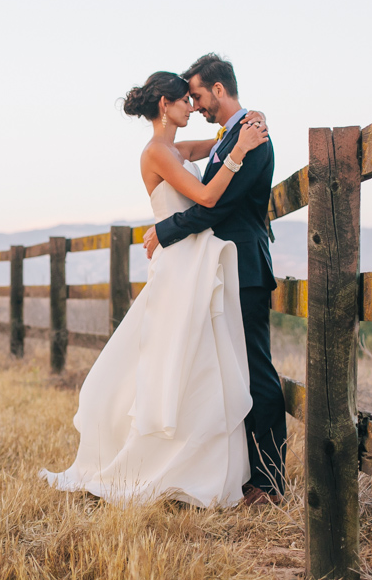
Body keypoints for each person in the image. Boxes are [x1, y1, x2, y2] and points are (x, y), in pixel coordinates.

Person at [40, 70, 269, 507]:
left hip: (195, 263)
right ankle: (150, 462)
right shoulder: (156, 153)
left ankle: (196, 461)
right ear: (165, 105)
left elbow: (214, 144)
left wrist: (243, 124)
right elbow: (205, 197)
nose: (192, 107)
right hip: (180, 266)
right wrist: (240, 150)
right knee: (172, 361)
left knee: (199, 364)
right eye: (185, 100)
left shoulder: (175, 148)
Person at [142, 54, 286, 507]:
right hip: (220, 269)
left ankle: (271, 482)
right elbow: (203, 159)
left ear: (219, 91)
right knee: (230, 371)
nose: (197, 105)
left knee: (256, 372)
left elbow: (215, 207)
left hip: (243, 268)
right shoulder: (232, 136)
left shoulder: (253, 138)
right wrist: (230, 141)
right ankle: (244, 473)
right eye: (188, 99)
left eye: (200, 96)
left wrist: (166, 231)